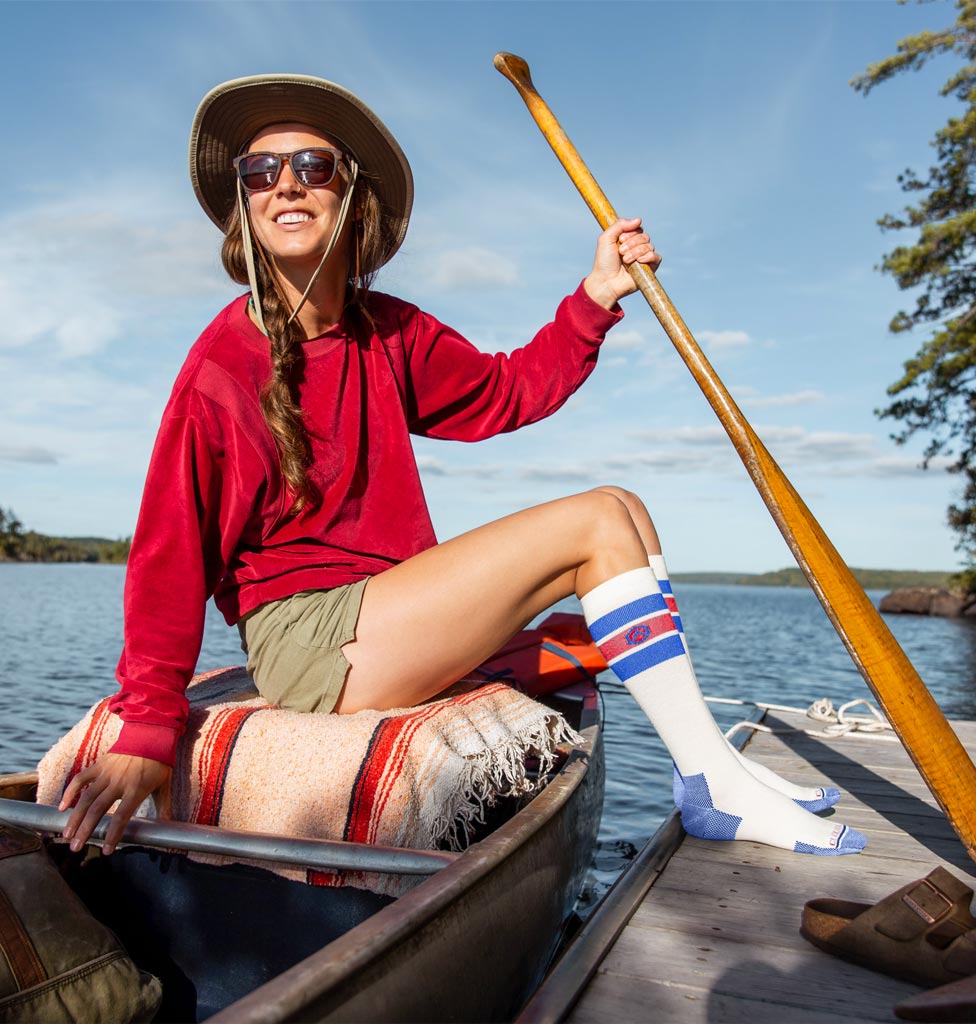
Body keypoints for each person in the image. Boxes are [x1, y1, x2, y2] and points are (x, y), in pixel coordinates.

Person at [60, 74, 865, 860]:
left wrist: (594, 296)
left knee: (624, 505)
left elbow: (506, 391)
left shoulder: (389, 332)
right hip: (310, 641)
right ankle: (713, 780)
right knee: (593, 522)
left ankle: (715, 770)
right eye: (260, 171)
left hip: (386, 611)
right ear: (244, 202)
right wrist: (146, 726)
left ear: (350, 195)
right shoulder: (220, 369)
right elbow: (169, 555)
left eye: (313, 166)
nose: (285, 185)